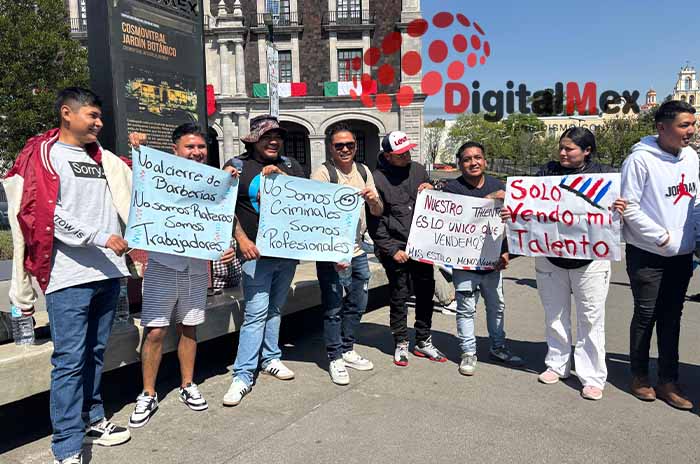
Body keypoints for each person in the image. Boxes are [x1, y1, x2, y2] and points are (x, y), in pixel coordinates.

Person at [5, 87, 132, 464]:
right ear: (66, 113)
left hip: (109, 271)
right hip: (69, 277)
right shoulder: (47, 156)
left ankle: (93, 418)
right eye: (92, 115)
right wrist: (99, 237)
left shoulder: (104, 160)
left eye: (99, 117)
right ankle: (66, 445)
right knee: (69, 360)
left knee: (94, 353)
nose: (99, 123)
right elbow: (44, 214)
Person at [502, 127, 625, 401]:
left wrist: (620, 207)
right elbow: (528, 207)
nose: (562, 153)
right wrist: (514, 211)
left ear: (587, 151)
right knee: (554, 315)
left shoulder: (604, 175)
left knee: (591, 319)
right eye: (561, 147)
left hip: (590, 261)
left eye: (569, 149)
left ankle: (592, 376)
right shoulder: (547, 172)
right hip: (551, 258)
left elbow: (620, 212)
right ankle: (557, 364)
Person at [127, 124, 237, 428]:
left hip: (196, 268)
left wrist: (224, 248)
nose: (197, 152)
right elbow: (136, 175)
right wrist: (137, 147)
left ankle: (187, 384)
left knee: (189, 328)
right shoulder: (160, 177)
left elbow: (220, 223)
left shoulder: (216, 184)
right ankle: (148, 393)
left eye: (201, 147)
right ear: (175, 150)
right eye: (190, 147)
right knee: (156, 332)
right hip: (162, 265)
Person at [221, 115, 306, 406]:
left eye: (278, 137)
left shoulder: (292, 166)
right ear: (253, 139)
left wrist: (283, 179)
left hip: (287, 253)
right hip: (256, 255)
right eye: (267, 136)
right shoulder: (237, 165)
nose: (274, 141)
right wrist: (242, 240)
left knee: (275, 308)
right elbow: (223, 208)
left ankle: (271, 357)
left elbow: (307, 203)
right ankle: (242, 375)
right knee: (256, 313)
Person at [622, 100, 699, 409]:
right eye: (684, 125)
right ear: (662, 128)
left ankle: (669, 380)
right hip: (648, 253)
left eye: (692, 125)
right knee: (646, 314)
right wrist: (662, 237)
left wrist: (693, 235)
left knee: (672, 316)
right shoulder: (639, 160)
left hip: (683, 253)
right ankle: (639, 375)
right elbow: (629, 207)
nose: (691, 131)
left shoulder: (692, 157)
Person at [311, 123, 383, 385]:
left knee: (358, 303)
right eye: (339, 145)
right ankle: (334, 357)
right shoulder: (322, 173)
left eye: (349, 145)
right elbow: (314, 215)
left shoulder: (363, 171)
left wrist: (374, 200)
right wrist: (333, 253)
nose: (344, 149)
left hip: (358, 250)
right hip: (332, 253)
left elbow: (377, 211)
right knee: (333, 307)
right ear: (331, 147)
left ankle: (348, 348)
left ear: (356, 146)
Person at [442, 141, 523, 376]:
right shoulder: (451, 190)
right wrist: (488, 201)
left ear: (485, 161)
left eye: (477, 157)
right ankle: (468, 352)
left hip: (493, 263)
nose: (473, 162)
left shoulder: (500, 186)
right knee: (466, 309)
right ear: (460, 163)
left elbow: (510, 226)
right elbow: (448, 225)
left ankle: (498, 347)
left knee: (497, 308)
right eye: (467, 159)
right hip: (464, 264)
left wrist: (507, 252)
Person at [367, 131, 447, 366]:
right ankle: (401, 341)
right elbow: (376, 222)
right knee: (399, 295)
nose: (407, 156)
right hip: (397, 248)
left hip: (422, 245)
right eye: (401, 154)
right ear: (388, 156)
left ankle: (423, 339)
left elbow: (433, 203)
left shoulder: (419, 169)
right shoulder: (377, 179)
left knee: (425, 293)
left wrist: (432, 187)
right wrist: (392, 250)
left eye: (408, 151)